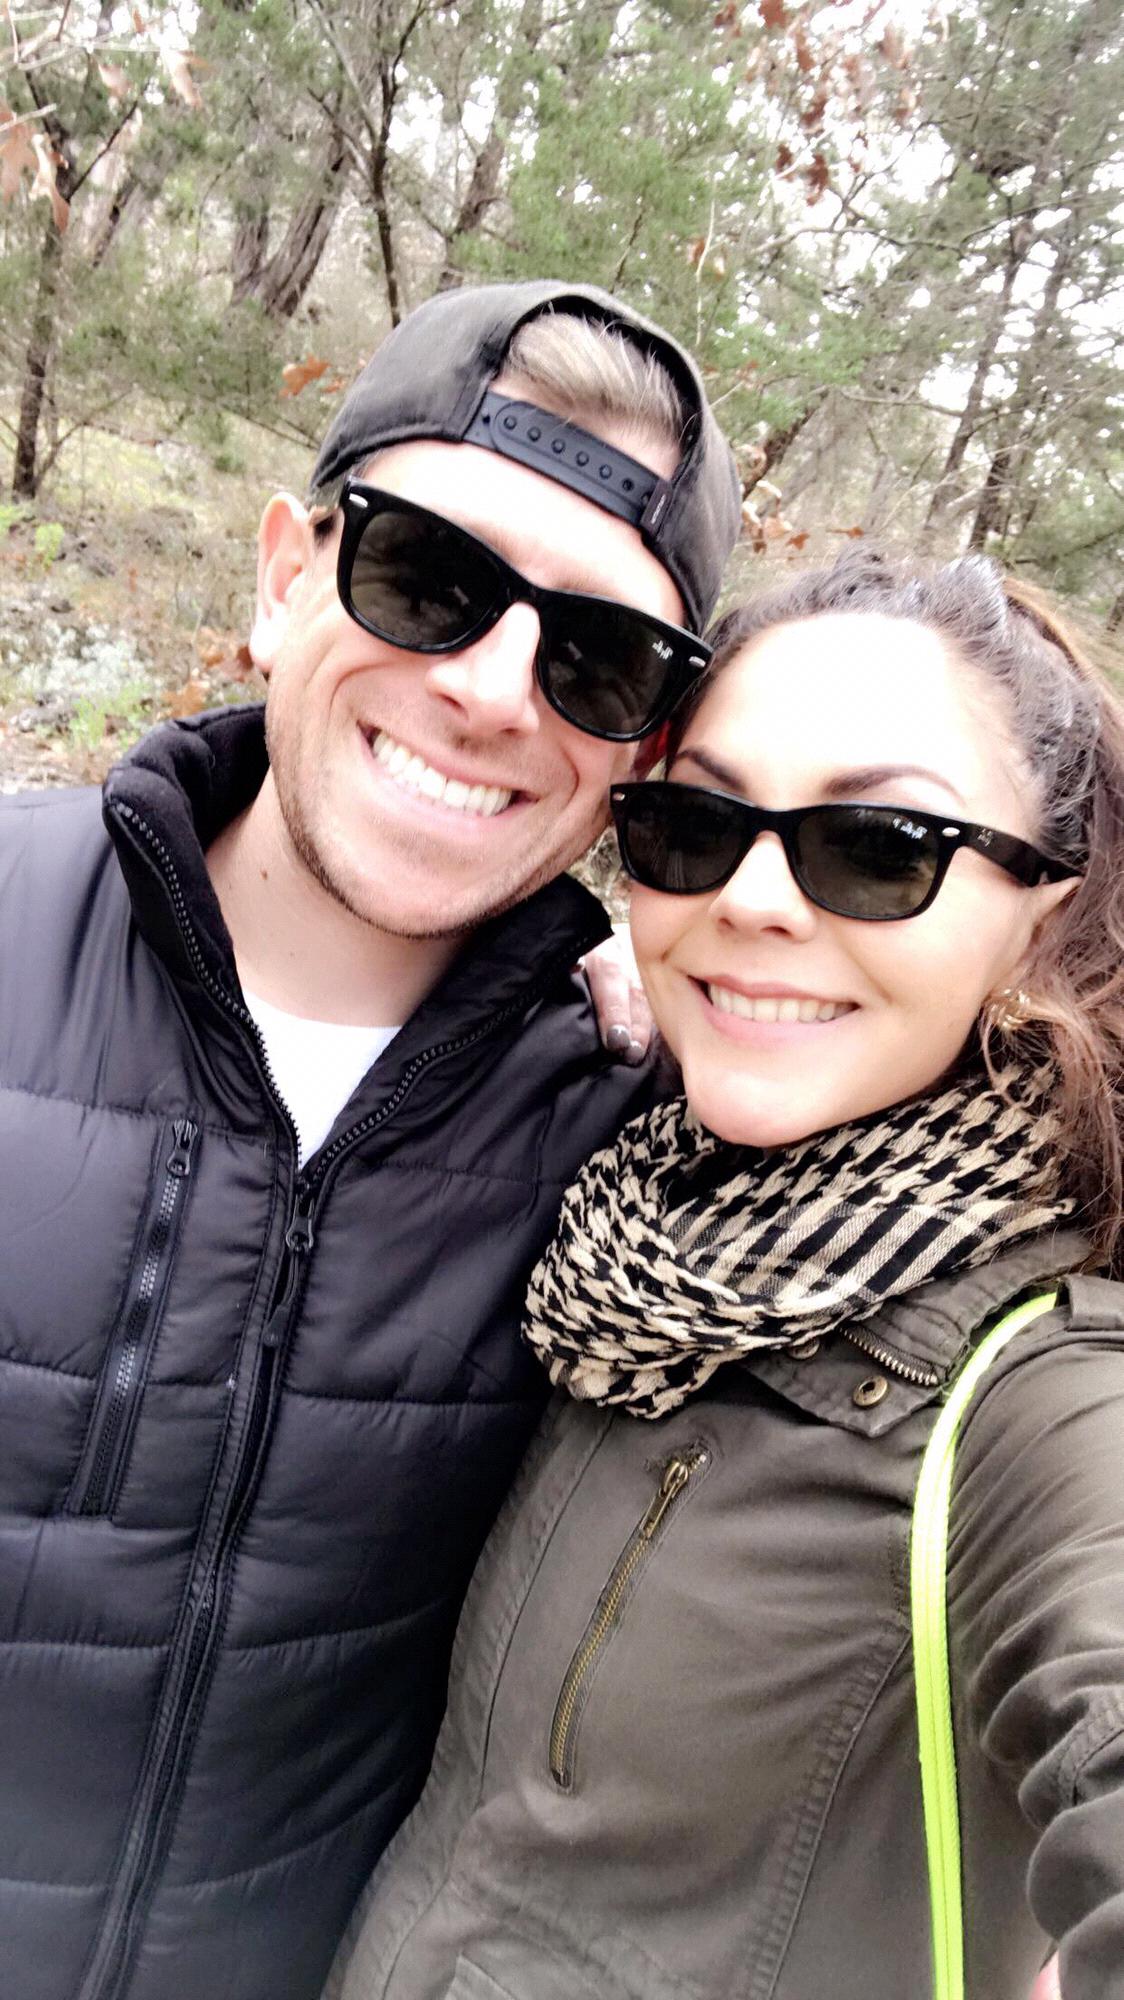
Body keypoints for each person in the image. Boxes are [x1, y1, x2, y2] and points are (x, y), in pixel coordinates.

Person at [0, 279, 741, 2000]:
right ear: (284, 577)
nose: (489, 691)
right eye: (426, 575)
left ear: (644, 748)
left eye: (598, 657)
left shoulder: (643, 1139)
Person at [327, 551, 1124, 2000]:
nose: (751, 900)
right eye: (694, 827)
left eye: (879, 846)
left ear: (1046, 914)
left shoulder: (1040, 1391)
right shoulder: (634, 1213)